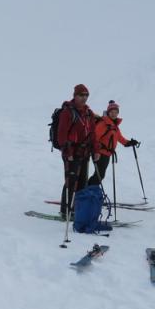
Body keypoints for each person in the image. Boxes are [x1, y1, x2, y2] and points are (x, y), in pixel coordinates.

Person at [57, 84, 97, 218]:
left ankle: (77, 209)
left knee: (82, 183)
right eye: (81, 95)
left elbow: (92, 133)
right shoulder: (68, 112)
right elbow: (61, 135)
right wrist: (67, 153)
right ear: (75, 95)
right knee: (71, 182)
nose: (84, 98)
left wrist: (95, 150)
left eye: (86, 95)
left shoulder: (88, 113)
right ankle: (66, 211)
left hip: (85, 152)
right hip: (71, 153)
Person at [89, 100, 140, 186]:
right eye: (112, 112)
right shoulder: (103, 123)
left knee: (100, 175)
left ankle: (90, 192)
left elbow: (121, 139)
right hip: (99, 153)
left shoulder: (114, 126)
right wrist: (96, 151)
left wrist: (130, 143)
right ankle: (87, 192)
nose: (114, 114)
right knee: (99, 175)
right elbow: (95, 138)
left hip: (107, 154)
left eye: (116, 112)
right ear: (108, 112)